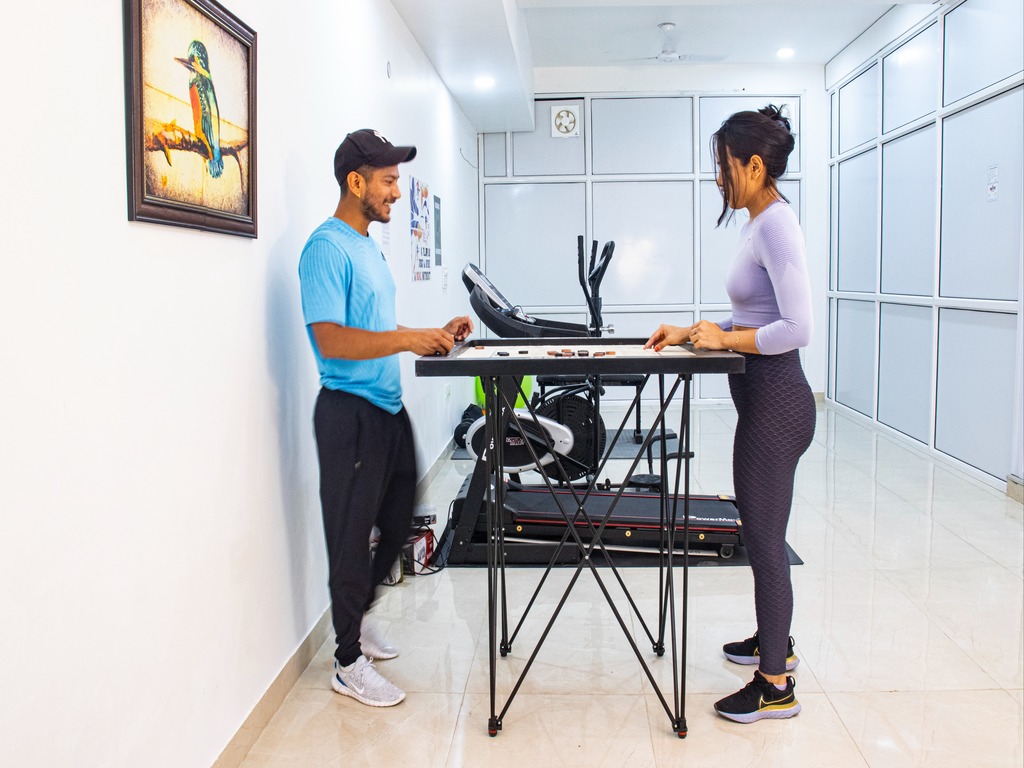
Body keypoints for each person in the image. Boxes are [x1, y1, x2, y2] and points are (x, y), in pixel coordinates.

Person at [645, 105, 815, 724]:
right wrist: (699, 331)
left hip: (777, 404)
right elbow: (751, 318)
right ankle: (775, 644)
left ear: (754, 164)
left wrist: (723, 340)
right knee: (760, 534)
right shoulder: (758, 222)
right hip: (765, 400)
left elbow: (796, 328)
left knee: (765, 543)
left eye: (724, 167)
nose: (718, 178)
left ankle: (775, 686)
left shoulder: (775, 226)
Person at [298, 128, 473, 707]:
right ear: (356, 182)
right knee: (350, 540)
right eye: (389, 180)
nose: (397, 191)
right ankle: (346, 662)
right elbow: (331, 341)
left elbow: (377, 329)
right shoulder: (324, 248)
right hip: (348, 412)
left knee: (398, 523)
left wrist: (436, 334)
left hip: (386, 408)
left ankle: (358, 617)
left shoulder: (367, 246)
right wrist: (406, 339)